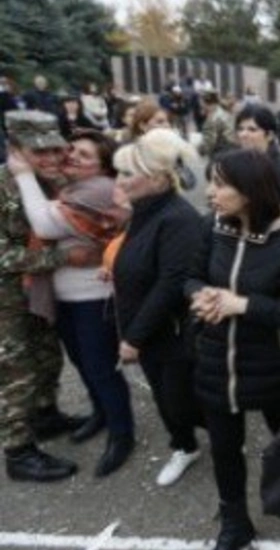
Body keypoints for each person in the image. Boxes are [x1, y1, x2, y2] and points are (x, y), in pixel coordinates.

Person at [185, 148, 280, 550]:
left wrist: (241, 304)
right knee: (225, 448)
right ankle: (234, 519)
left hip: (273, 365)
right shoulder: (210, 226)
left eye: (219, 184)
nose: (210, 192)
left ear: (249, 191)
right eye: (211, 182)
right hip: (215, 362)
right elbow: (190, 276)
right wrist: (200, 295)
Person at [8, 129, 135, 476]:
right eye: (72, 150)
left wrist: (22, 175)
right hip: (66, 298)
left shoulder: (100, 189)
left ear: (103, 166)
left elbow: (46, 225)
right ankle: (101, 415)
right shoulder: (67, 186)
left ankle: (122, 434)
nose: (72, 157)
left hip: (93, 299)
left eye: (84, 155)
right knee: (82, 363)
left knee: (100, 368)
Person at [1, 111, 99, 482]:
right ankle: (18, 452)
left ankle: (45, 416)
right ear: (15, 150)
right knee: (15, 372)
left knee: (46, 356)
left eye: (55, 149)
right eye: (37, 152)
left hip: (34, 292)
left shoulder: (47, 182)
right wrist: (61, 257)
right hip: (5, 299)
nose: (50, 159)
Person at [112, 128, 204, 487]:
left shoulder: (178, 218)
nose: (119, 180)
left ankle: (191, 443)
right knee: (170, 399)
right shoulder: (145, 209)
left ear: (157, 178)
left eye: (127, 173)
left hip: (172, 335)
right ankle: (186, 442)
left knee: (176, 400)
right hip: (152, 332)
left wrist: (133, 338)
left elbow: (171, 284)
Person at [234, 103, 280, 216]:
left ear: (270, 135)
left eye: (252, 129)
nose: (243, 134)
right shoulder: (232, 162)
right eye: (240, 129)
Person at [198, 91, 235, 159]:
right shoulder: (222, 112)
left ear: (205, 103)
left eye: (201, 102)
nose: (200, 105)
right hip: (230, 151)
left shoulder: (212, 119)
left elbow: (209, 143)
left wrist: (199, 150)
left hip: (220, 155)